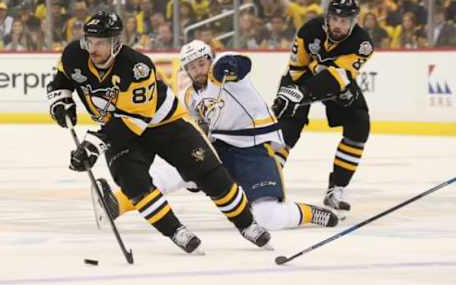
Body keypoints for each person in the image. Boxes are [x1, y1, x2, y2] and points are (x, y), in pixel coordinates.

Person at [46, 11, 271, 254]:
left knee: (210, 174)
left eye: (100, 42)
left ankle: (247, 224)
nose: (92, 48)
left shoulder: (137, 67)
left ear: (115, 43)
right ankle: (176, 231)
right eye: (89, 41)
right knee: (133, 183)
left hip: (164, 125)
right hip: (120, 131)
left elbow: (133, 121)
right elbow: (62, 80)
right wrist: (61, 100)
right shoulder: (74, 54)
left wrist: (93, 144)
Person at [102, 40, 339, 230]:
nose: (198, 70)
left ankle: (309, 213)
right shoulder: (189, 97)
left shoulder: (222, 72)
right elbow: (202, 129)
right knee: (172, 170)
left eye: (201, 63)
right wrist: (195, 172)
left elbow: (240, 63)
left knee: (268, 218)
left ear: (210, 59)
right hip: (220, 147)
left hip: (254, 150)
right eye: (191, 67)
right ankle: (116, 203)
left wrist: (232, 65)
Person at [272, 0, 374, 211]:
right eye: (335, 19)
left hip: (335, 81)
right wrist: (295, 96)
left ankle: (336, 188)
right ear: (328, 17)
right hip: (301, 79)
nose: (338, 25)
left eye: (344, 21)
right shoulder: (308, 30)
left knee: (359, 123)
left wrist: (305, 94)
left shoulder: (362, 43)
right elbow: (297, 69)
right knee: (286, 129)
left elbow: (337, 77)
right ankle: (266, 186)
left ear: (353, 22)